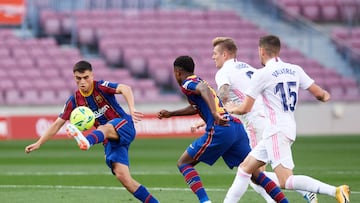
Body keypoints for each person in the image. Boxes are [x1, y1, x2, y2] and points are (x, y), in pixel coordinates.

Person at [223, 35, 350, 203]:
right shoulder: (294, 69)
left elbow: (245, 108)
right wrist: (327, 96)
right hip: (283, 128)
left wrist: (231, 108)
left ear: (261, 51)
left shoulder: (262, 74)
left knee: (286, 181)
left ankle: (335, 191)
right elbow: (320, 94)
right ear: (278, 50)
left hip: (277, 130)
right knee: (245, 169)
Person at [157, 55, 289, 203]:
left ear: (177, 72)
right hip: (235, 127)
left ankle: (205, 201)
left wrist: (214, 114)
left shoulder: (188, 83)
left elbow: (204, 90)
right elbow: (197, 106)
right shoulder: (198, 80)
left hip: (220, 129)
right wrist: (172, 114)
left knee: (184, 163)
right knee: (255, 173)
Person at [25, 60, 159, 203]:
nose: (82, 81)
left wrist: (132, 108)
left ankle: (86, 142)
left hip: (124, 125)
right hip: (108, 139)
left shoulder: (100, 86)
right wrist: (39, 143)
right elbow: (58, 123)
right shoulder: (74, 101)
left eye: (86, 77)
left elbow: (125, 88)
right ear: (74, 78)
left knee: (104, 127)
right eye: (78, 78)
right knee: (124, 178)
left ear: (92, 75)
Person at [212, 36, 318, 203]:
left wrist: (213, 110)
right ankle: (299, 192)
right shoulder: (248, 67)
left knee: (253, 173)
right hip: (268, 118)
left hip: (255, 122)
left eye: (215, 53)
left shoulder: (223, 72)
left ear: (225, 55)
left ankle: (304, 190)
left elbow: (223, 94)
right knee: (253, 172)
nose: (213, 57)